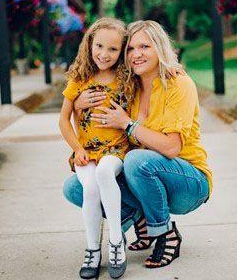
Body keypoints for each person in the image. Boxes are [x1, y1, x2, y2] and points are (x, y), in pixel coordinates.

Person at [64, 20, 212, 269]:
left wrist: (128, 125)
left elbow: (171, 148)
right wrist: (78, 104)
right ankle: (135, 217)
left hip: (188, 182)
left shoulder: (178, 84)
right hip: (146, 180)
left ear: (160, 48)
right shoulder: (128, 86)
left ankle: (165, 234)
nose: (137, 54)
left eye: (145, 46)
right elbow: (92, 117)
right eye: (131, 48)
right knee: (75, 187)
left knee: (136, 161)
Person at [58, 18, 135, 279]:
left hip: (116, 150)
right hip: (86, 150)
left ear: (122, 51)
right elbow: (63, 120)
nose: (104, 54)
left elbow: (156, 78)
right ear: (89, 44)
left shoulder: (127, 79)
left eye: (113, 50)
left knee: (104, 173)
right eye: (99, 46)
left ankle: (115, 242)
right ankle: (92, 248)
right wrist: (77, 148)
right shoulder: (79, 78)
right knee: (90, 188)